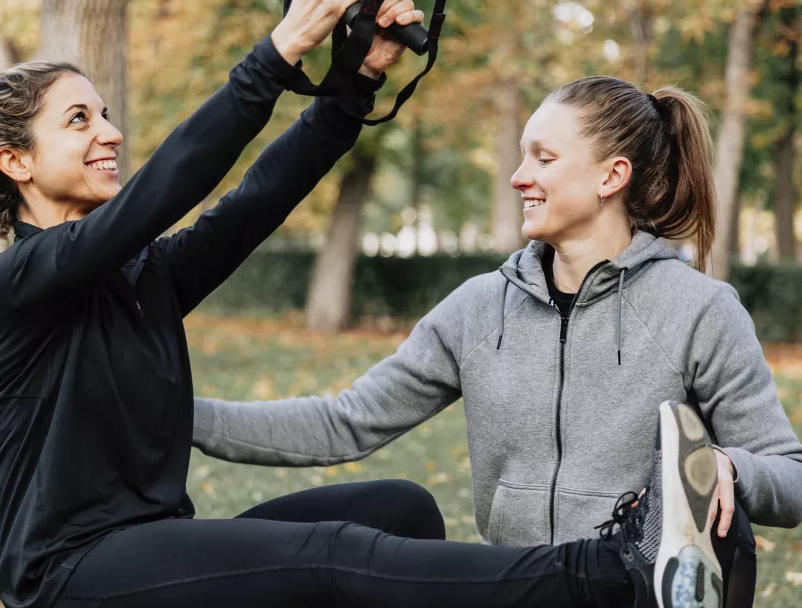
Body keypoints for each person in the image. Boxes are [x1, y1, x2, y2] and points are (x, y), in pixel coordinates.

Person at [0, 0, 744, 605]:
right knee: (329, 554)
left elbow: (249, 205)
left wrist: (353, 82)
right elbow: (163, 193)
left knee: (399, 507)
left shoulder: (138, 276)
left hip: (152, 544)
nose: (107, 131)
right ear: (15, 161)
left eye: (105, 112)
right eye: (78, 120)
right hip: (70, 572)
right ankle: (614, 577)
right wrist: (281, 47)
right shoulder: (19, 282)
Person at [193, 77, 802, 605]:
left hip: (628, 590)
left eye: (542, 158)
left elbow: (790, 477)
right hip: (509, 587)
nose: (518, 177)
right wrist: (171, 415)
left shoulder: (697, 309)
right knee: (385, 517)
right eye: (521, 157)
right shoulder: (481, 306)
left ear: (612, 176)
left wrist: (723, 468)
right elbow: (345, 422)